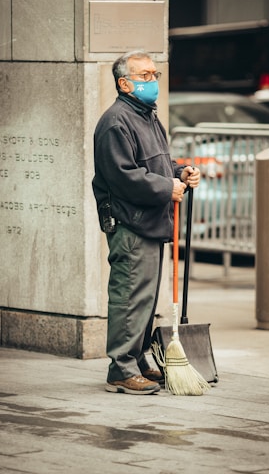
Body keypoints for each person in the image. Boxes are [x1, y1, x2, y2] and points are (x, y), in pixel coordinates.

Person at [92, 50, 200, 395]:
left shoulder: (147, 116)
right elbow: (124, 176)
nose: (152, 81)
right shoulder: (116, 122)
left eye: (155, 75)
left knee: (144, 298)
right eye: (145, 76)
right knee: (129, 295)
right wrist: (166, 186)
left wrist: (179, 171)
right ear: (125, 83)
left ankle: (136, 360)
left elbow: (156, 164)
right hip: (130, 223)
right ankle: (120, 368)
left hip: (150, 221)